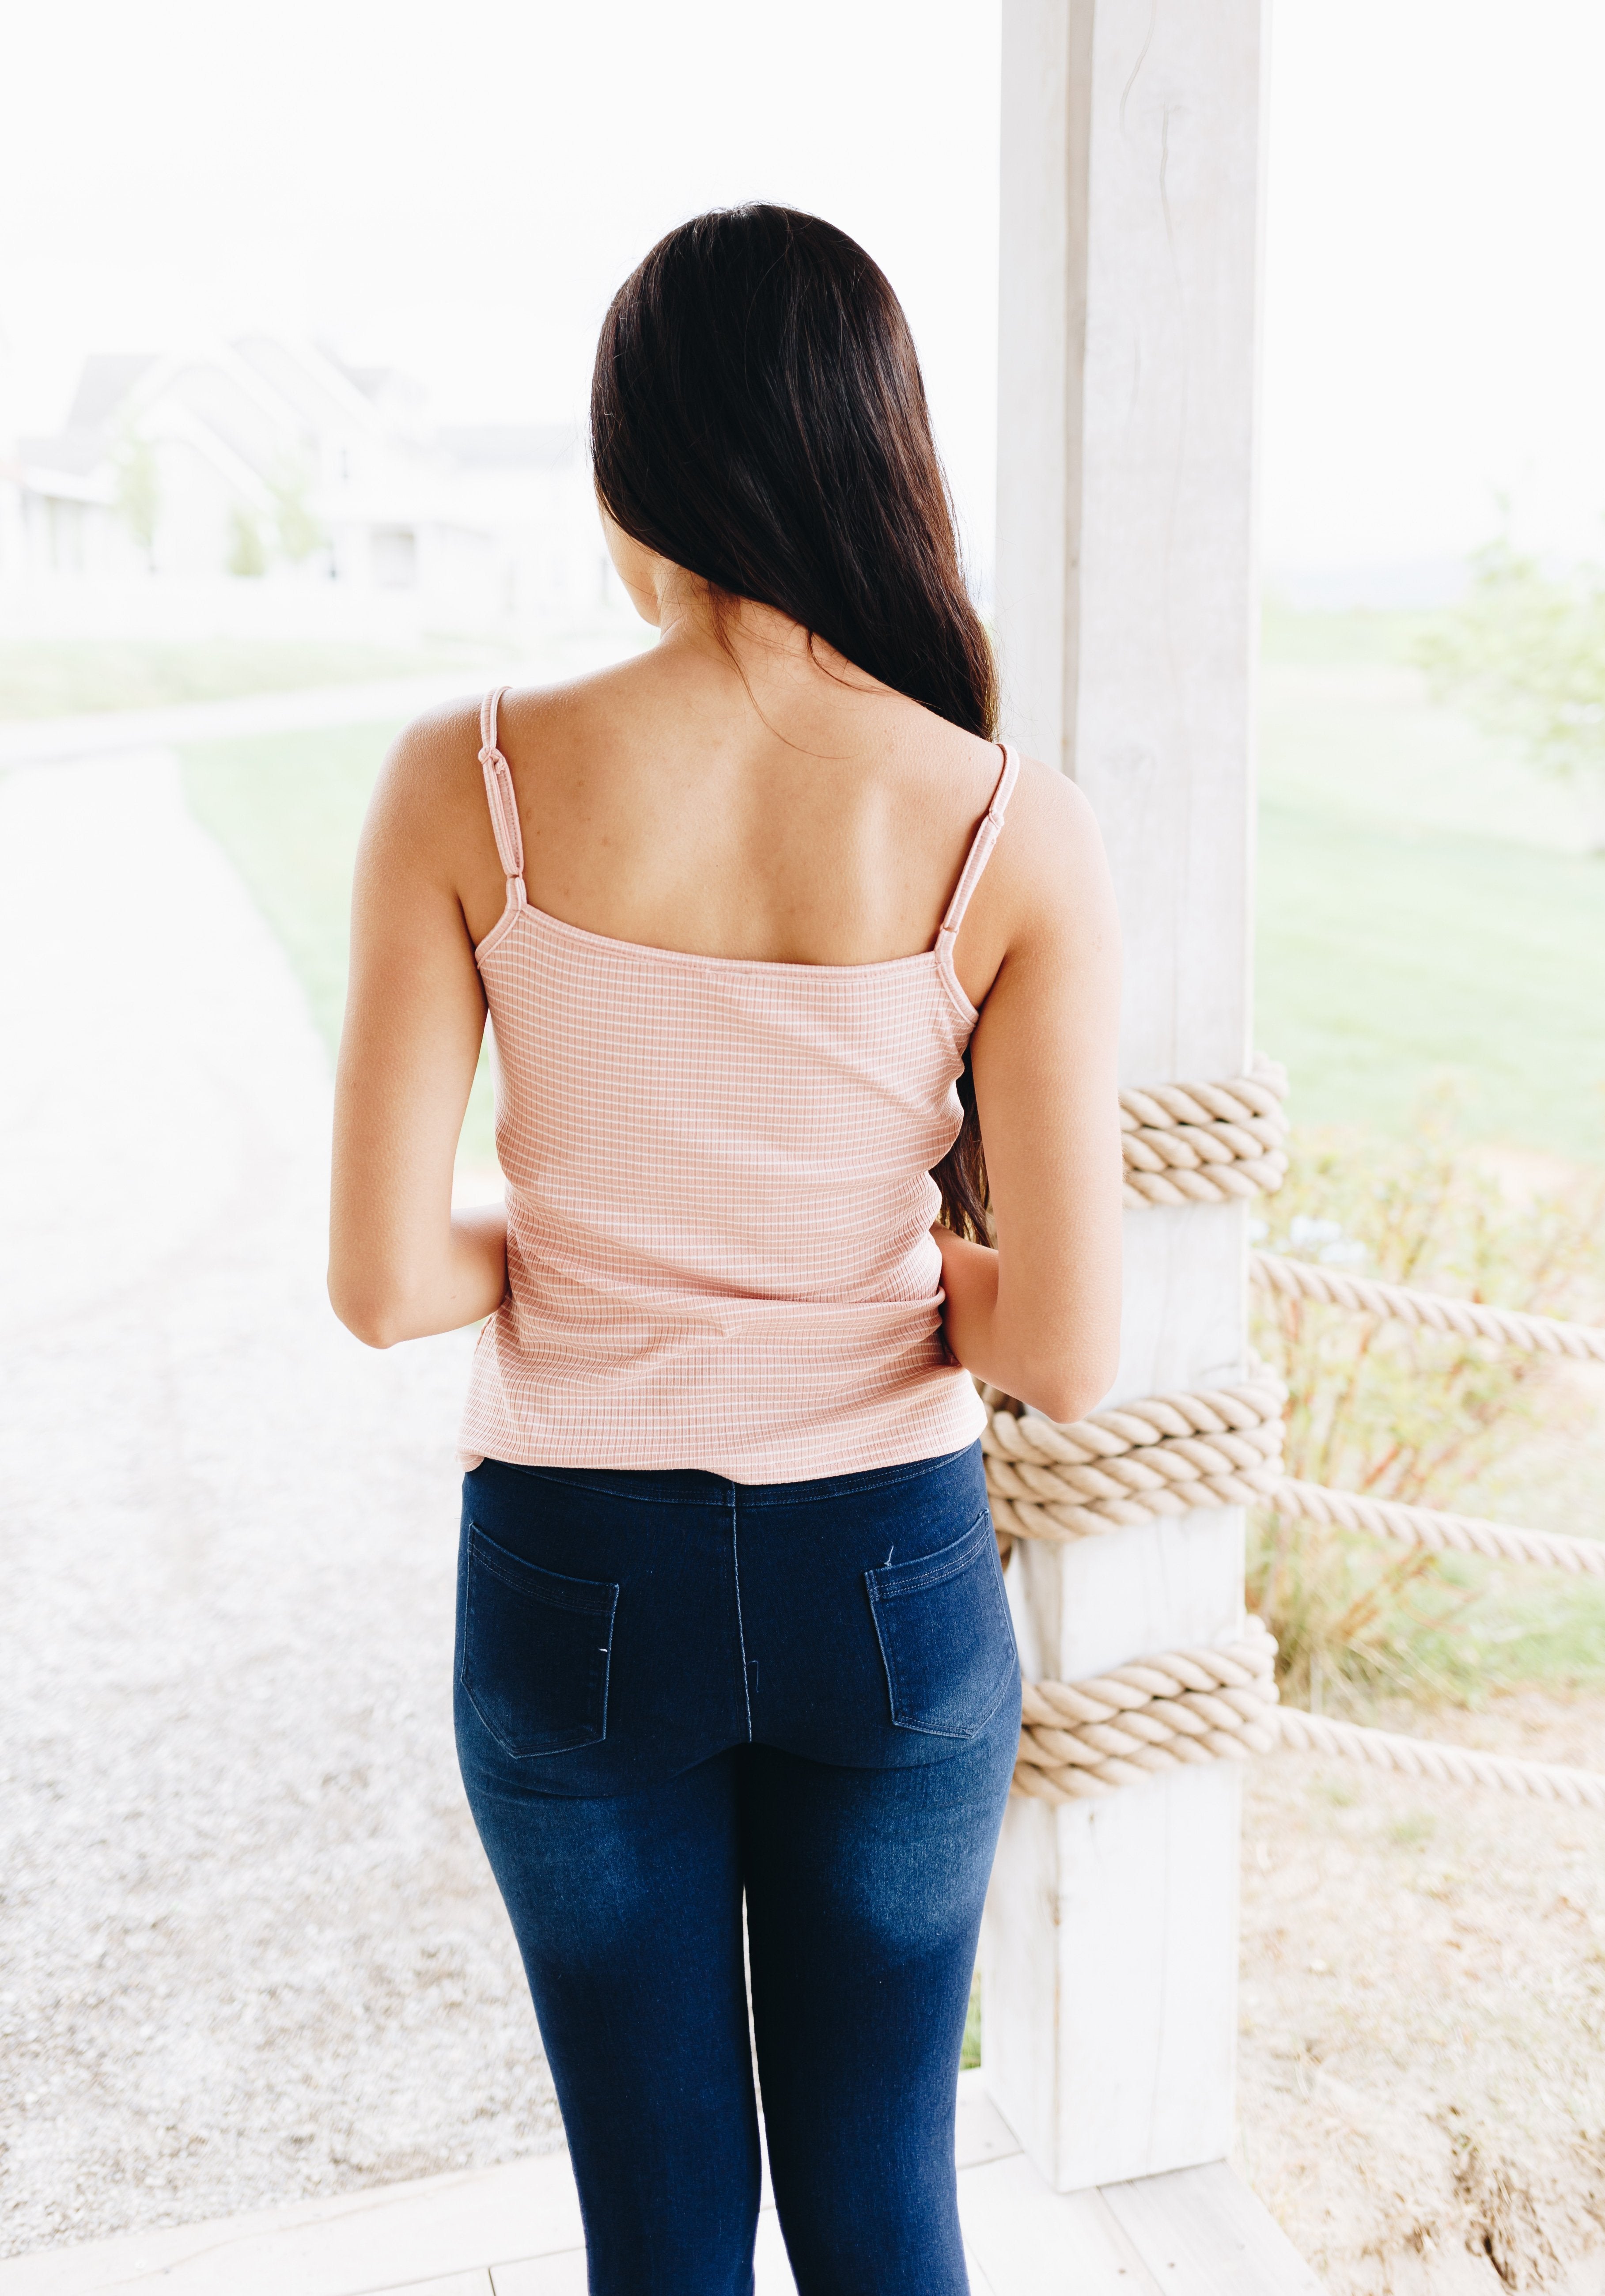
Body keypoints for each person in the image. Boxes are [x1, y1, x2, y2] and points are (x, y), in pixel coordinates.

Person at [328, 205, 1121, 2296]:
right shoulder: (1003, 819)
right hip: (891, 1583)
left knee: (661, 2234)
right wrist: (859, 1267)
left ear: (632, 471)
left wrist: (597, 1243)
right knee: (887, 2206)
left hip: (580, 1581)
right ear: (882, 454)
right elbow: (1075, 1345)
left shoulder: (469, 779)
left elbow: (390, 1281)